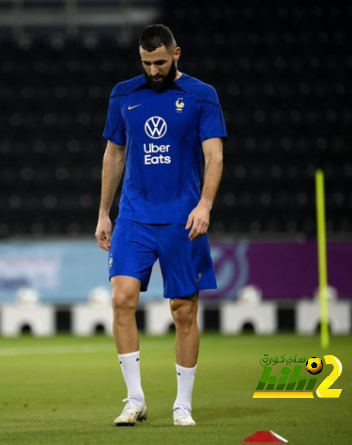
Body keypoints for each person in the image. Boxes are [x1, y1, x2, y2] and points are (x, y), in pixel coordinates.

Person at [95, 24, 226, 427]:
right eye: (147, 63)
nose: (153, 70)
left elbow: (215, 155)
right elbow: (114, 155)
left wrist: (205, 205)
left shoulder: (202, 96)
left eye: (160, 62)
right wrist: (104, 212)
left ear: (177, 54)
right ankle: (135, 399)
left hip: (182, 218)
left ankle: (182, 404)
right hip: (134, 215)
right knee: (122, 299)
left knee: (183, 310)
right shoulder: (123, 94)